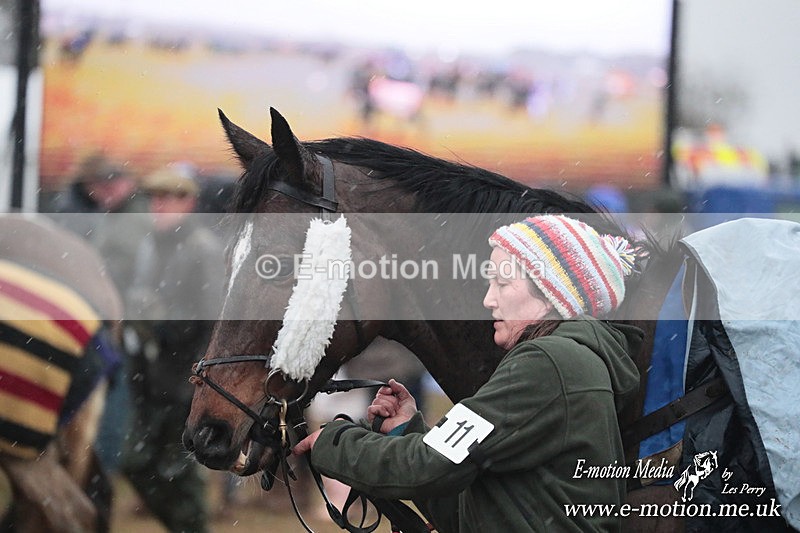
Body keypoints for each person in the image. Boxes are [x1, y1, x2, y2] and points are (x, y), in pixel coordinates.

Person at [294, 215, 643, 532]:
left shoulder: (548, 362)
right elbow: (468, 514)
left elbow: (429, 465)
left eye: (503, 285)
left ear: (553, 294)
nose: (489, 300)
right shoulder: (574, 361)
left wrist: (334, 443)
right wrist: (404, 431)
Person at [123, 166, 225, 533]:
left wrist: (198, 378)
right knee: (138, 464)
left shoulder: (204, 248)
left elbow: (214, 321)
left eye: (169, 198)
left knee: (179, 470)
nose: (159, 206)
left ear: (189, 202)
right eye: (155, 198)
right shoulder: (151, 244)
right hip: (149, 375)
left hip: (186, 380)